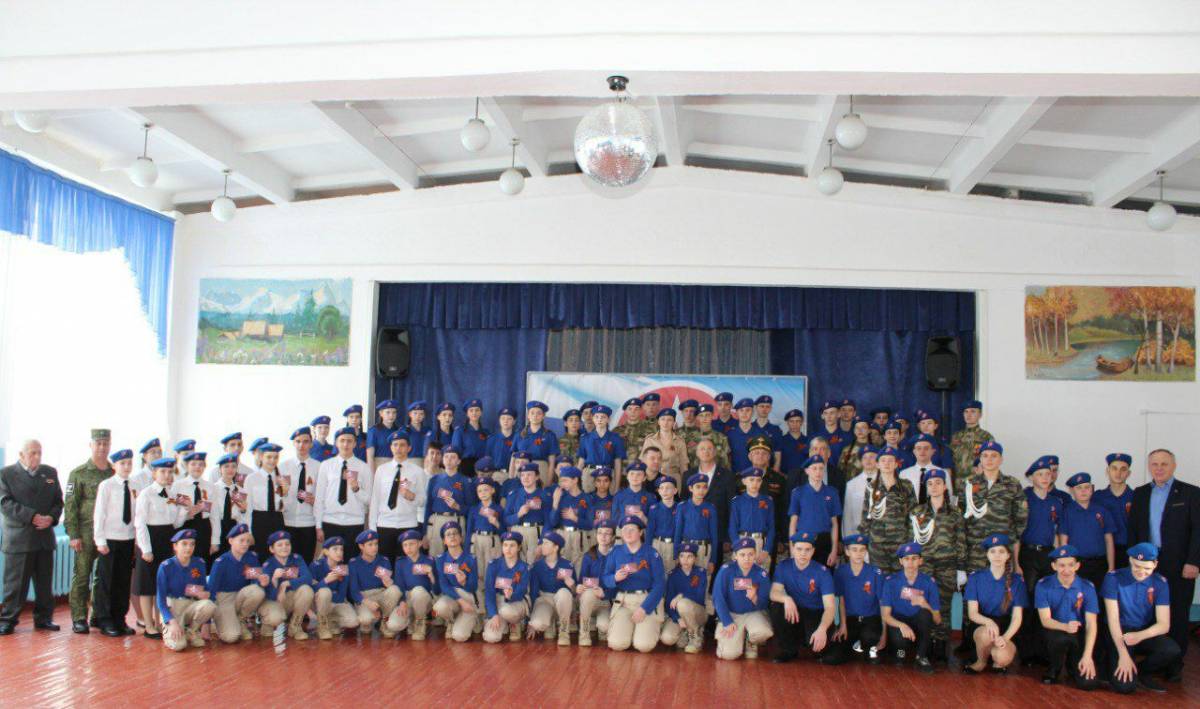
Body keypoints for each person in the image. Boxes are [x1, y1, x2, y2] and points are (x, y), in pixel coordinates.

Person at [1128, 448, 1200, 682]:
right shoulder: (1140, 493)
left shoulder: (1191, 493)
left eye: (1164, 464)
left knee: (1177, 613)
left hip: (1179, 565)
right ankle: (1152, 660)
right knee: (1147, 610)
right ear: (1149, 466)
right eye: (1155, 464)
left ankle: (1174, 664)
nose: (1159, 468)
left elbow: (1198, 531)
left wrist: (1194, 562)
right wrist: (1133, 562)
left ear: (1174, 466)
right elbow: (1134, 530)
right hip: (1146, 564)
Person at [0, 439, 64, 634]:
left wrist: (51, 518)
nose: (37, 457)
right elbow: (5, 503)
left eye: (39, 452)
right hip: (19, 540)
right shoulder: (6, 474)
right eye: (32, 453)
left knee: (44, 584)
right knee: (15, 585)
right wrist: (32, 516)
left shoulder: (50, 474)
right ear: (21, 454)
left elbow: (58, 502)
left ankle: (44, 618)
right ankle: (8, 620)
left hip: (44, 539)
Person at [1101, 542, 1181, 693]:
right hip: (1119, 632)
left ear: (1155, 564)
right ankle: (1117, 664)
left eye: (1147, 568)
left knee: (1171, 649)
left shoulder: (1160, 583)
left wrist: (1140, 635)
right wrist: (1123, 655)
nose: (1141, 572)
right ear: (1130, 560)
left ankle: (1141, 672)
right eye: (1137, 566)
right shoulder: (1113, 578)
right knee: (1124, 687)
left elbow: (1164, 625)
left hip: (1142, 631)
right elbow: (1113, 620)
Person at [907, 468, 964, 662]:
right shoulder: (917, 512)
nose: (934, 487)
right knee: (923, 604)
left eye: (938, 483)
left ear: (945, 486)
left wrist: (961, 569)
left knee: (944, 606)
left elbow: (961, 541)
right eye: (930, 483)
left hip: (947, 566)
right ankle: (925, 644)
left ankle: (940, 644)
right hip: (924, 567)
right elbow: (911, 541)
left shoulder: (955, 512)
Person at [64, 428, 113, 634]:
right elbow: (70, 506)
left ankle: (98, 616)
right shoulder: (78, 473)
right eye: (98, 443)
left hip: (109, 533)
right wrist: (73, 534)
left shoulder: (114, 472)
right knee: (82, 575)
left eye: (105, 443)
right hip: (85, 531)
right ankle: (79, 617)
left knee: (103, 577)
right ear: (91, 445)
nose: (102, 447)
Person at [133, 457, 186, 639]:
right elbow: (140, 523)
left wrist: (184, 509)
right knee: (147, 586)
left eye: (170, 471)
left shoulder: (172, 494)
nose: (166, 475)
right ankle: (149, 625)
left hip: (167, 539)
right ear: (154, 473)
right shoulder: (146, 494)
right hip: (150, 540)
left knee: (162, 584)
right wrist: (146, 549)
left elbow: (176, 523)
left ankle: (160, 622)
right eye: (162, 471)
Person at [1018, 456, 1064, 665]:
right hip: (1028, 554)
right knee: (1028, 602)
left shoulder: (1056, 502)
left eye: (1048, 474)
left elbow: (1058, 532)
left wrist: (1059, 559)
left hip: (1047, 555)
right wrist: (1016, 562)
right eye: (1040, 474)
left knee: (1046, 603)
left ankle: (1044, 651)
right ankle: (1027, 653)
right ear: (1031, 478)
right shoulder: (1024, 498)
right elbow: (1016, 531)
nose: (1045, 478)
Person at [1035, 544, 1100, 689]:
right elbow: (1045, 620)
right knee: (1058, 639)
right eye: (1062, 565)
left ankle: (1073, 666)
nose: (1066, 570)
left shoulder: (1087, 587)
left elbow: (1091, 624)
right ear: (1054, 566)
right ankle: (1054, 667)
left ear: (1077, 566)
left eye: (1071, 565)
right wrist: (1065, 627)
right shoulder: (1043, 585)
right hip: (1055, 629)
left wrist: (1087, 656)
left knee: (1088, 684)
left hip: (1078, 634)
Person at [769, 530, 837, 664]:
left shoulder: (822, 572)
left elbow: (830, 607)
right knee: (777, 607)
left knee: (818, 650)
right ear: (793, 549)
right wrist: (787, 599)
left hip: (815, 613)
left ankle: (808, 641)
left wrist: (822, 629)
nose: (803, 553)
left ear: (813, 551)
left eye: (807, 549)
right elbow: (773, 593)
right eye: (799, 549)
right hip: (795, 611)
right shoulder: (783, 566)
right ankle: (788, 650)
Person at [962, 534, 1026, 675]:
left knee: (1001, 657)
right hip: (983, 623)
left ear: (1008, 555)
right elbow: (972, 613)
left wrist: (1005, 638)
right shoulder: (975, 578)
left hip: (1006, 627)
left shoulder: (1017, 581)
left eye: (1001, 551)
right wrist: (989, 622)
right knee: (987, 634)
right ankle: (981, 661)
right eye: (993, 551)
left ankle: (996, 659)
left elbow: (1017, 618)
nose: (997, 555)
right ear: (987, 555)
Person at [961, 441, 1028, 573]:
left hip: (1001, 550)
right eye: (985, 456)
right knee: (976, 584)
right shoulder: (969, 484)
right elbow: (960, 516)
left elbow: (1021, 517)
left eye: (994, 456)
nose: (989, 459)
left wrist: (1009, 539)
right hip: (975, 550)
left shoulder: (1012, 484)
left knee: (1002, 584)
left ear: (1001, 459)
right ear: (980, 459)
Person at [91, 448, 138, 637]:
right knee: (106, 581)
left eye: (129, 463)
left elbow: (136, 514)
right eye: (122, 463)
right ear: (115, 466)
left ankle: (120, 618)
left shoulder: (134, 485)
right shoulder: (107, 485)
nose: (126, 467)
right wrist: (100, 540)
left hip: (127, 539)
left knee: (123, 581)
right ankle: (104, 619)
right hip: (109, 539)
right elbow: (99, 514)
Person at [602, 515, 666, 653]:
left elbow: (660, 585)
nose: (628, 533)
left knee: (644, 646)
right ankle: (630, 631)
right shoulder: (616, 552)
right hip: (623, 602)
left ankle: (648, 627)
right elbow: (605, 578)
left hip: (646, 601)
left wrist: (644, 609)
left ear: (641, 532)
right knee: (617, 644)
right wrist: (614, 578)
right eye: (625, 529)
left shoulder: (651, 553)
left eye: (632, 529)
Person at [880, 542, 940, 673]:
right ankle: (900, 653)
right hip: (898, 623)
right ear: (901, 561)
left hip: (919, 626)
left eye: (914, 558)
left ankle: (921, 657)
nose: (910, 562)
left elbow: (937, 620)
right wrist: (902, 625)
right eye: (906, 559)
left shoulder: (929, 582)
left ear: (920, 561)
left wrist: (925, 604)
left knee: (925, 614)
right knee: (900, 654)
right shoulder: (891, 582)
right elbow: (885, 616)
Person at [315, 427, 373, 560]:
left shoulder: (363, 467)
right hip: (330, 521)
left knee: (350, 562)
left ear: (355, 443)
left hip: (354, 522)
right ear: (336, 443)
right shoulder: (326, 465)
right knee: (330, 563)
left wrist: (357, 489)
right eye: (342, 441)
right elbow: (319, 497)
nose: (345, 444)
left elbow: (369, 499)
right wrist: (318, 525)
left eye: (349, 441)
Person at [369, 431, 427, 562]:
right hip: (385, 524)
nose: (398, 448)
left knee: (406, 565)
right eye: (395, 445)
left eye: (402, 445)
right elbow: (375, 499)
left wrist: (412, 496)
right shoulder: (381, 470)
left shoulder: (418, 471)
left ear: (409, 448)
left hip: (408, 524)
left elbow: (423, 500)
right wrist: (372, 527)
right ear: (391, 447)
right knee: (385, 564)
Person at [205, 523, 268, 643]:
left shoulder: (251, 557)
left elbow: (256, 580)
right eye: (241, 540)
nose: (245, 544)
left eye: (248, 541)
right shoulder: (221, 562)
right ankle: (217, 623)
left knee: (258, 591)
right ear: (231, 541)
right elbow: (211, 591)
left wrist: (261, 582)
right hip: (224, 599)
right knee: (231, 637)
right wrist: (206, 624)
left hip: (241, 595)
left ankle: (241, 620)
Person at [713, 536, 774, 660]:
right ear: (735, 556)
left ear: (755, 554)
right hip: (732, 615)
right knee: (728, 655)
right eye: (742, 555)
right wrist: (726, 621)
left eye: (750, 554)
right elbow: (718, 598)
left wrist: (755, 598)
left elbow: (765, 603)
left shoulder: (761, 574)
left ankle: (750, 640)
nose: (747, 558)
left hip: (753, 613)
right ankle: (736, 636)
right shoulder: (726, 571)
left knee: (764, 631)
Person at [858, 447, 915, 575]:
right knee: (879, 581)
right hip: (877, 545)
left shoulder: (906, 486)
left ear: (896, 464)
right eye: (883, 460)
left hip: (900, 544)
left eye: (890, 460)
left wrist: (910, 543)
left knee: (901, 581)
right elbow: (866, 517)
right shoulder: (871, 487)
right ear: (877, 464)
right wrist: (864, 545)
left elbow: (913, 517)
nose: (887, 464)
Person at [155, 529, 215, 651]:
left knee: (209, 605)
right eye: (184, 544)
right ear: (175, 546)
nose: (189, 548)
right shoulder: (166, 567)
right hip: (172, 609)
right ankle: (172, 630)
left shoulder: (198, 564)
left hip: (190, 605)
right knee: (179, 646)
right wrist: (171, 622)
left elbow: (204, 589)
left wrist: (203, 594)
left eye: (192, 544)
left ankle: (192, 631)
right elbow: (160, 601)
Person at [831, 533, 886, 663]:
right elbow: (841, 601)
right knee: (833, 658)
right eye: (854, 550)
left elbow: (883, 604)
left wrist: (884, 635)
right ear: (847, 552)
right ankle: (854, 645)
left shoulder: (875, 573)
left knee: (870, 642)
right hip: (850, 619)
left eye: (862, 550)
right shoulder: (841, 572)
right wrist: (842, 625)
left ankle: (867, 647)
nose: (858, 554)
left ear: (866, 551)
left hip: (871, 619)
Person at [1059, 472, 1115, 591]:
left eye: (1086, 487)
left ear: (1092, 489)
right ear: (1072, 491)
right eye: (1079, 488)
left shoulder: (1102, 511)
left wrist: (1111, 567)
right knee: (1078, 597)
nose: (1083, 491)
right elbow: (1063, 542)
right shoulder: (1067, 512)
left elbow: (1109, 541)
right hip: (1077, 565)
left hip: (1099, 563)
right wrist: (1066, 566)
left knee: (1099, 597)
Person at [259, 530, 317, 640]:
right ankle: (267, 624)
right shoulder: (268, 565)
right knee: (275, 618)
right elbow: (268, 595)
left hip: (289, 598)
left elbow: (308, 578)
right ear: (272, 549)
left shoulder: (297, 559)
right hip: (273, 601)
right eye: (279, 545)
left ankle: (295, 627)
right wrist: (275, 579)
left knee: (306, 590)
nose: (284, 547)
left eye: (287, 544)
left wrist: (286, 584)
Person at [346, 529, 403, 638]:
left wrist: (390, 583)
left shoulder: (384, 560)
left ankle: (384, 621)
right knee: (366, 620)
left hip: (381, 594)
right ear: (361, 546)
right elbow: (353, 591)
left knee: (395, 589)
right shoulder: (353, 563)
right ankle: (366, 624)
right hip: (364, 597)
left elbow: (390, 586)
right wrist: (367, 602)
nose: (374, 547)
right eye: (370, 544)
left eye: (376, 544)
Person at [786, 455, 841, 567]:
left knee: (825, 573)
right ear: (807, 471)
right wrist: (792, 549)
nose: (818, 472)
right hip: (803, 540)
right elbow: (793, 523)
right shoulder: (798, 493)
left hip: (824, 541)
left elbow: (834, 523)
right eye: (814, 468)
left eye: (821, 468)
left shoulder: (832, 492)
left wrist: (834, 550)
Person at [432, 522, 479, 643]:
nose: (452, 536)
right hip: (453, 597)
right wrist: (461, 601)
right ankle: (451, 621)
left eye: (455, 533)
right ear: (444, 541)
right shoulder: (440, 559)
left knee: (460, 637)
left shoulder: (471, 558)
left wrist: (464, 582)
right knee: (439, 607)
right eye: (448, 534)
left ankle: (473, 617)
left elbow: (473, 587)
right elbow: (444, 586)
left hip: (468, 598)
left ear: (461, 538)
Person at [480, 531, 531, 643]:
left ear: (519, 548)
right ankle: (501, 622)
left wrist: (512, 595)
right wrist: (493, 614)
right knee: (491, 638)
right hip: (498, 602)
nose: (508, 549)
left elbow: (522, 591)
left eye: (512, 545)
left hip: (517, 602)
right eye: (505, 545)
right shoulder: (493, 565)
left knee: (506, 611)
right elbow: (489, 592)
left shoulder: (524, 567)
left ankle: (515, 623)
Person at [280, 426, 320, 562]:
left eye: (305, 441)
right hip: (287, 522)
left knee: (306, 561)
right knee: (287, 562)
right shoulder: (283, 466)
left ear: (311, 444)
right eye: (298, 441)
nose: (301, 445)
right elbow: (277, 496)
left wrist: (316, 500)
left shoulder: (319, 467)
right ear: (293, 443)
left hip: (309, 523)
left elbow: (324, 497)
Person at [528, 531, 576, 645]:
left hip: (562, 600)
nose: (542, 546)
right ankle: (551, 622)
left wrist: (572, 585)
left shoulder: (567, 565)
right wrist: (531, 620)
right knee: (537, 624)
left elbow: (574, 592)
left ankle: (564, 631)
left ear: (555, 547)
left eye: (546, 543)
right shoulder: (537, 566)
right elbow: (533, 592)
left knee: (564, 593)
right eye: (542, 543)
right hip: (544, 600)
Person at [424, 444, 471, 558]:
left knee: (456, 557)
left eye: (453, 457)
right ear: (442, 459)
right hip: (437, 521)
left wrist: (458, 507)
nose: (449, 460)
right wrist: (424, 533)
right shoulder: (434, 480)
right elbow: (428, 507)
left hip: (456, 520)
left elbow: (472, 509)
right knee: (436, 556)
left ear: (459, 461)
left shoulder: (465, 481)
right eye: (446, 456)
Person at [660, 542, 708, 653]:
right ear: (678, 558)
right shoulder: (673, 575)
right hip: (679, 615)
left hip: (698, 613)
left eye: (689, 556)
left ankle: (694, 637)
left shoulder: (700, 573)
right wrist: (677, 618)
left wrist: (681, 596)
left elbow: (699, 597)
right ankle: (685, 631)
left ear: (695, 558)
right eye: (682, 556)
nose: (685, 560)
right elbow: (668, 602)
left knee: (682, 603)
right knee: (667, 639)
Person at [171, 450, 215, 568]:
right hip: (184, 526)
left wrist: (215, 540)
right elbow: (173, 512)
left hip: (204, 529)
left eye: (201, 464)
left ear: (205, 467)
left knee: (201, 564)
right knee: (184, 563)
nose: (197, 467)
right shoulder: (178, 485)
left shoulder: (210, 486)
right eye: (193, 464)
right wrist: (186, 513)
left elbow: (214, 515)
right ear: (186, 466)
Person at [390, 530, 438, 640]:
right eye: (405, 545)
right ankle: (411, 619)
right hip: (407, 599)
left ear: (420, 543)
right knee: (393, 625)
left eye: (411, 544)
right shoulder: (400, 562)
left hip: (423, 600)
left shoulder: (429, 560)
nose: (408, 548)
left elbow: (437, 589)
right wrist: (402, 601)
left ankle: (420, 622)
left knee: (418, 590)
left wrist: (432, 577)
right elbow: (399, 585)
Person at [310, 536, 359, 640]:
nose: (339, 552)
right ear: (326, 552)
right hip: (318, 602)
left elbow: (341, 596)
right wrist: (325, 581)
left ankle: (330, 621)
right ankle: (322, 626)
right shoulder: (316, 565)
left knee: (353, 622)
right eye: (335, 549)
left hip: (336, 602)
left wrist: (330, 595)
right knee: (324, 592)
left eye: (341, 549)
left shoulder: (343, 568)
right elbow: (311, 589)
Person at [245, 442, 286, 561]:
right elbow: (248, 507)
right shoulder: (251, 478)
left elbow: (285, 506)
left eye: (276, 457)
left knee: (278, 556)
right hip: (259, 521)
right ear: (261, 457)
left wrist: (286, 491)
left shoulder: (282, 478)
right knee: (259, 555)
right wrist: (249, 531)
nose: (272, 460)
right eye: (269, 457)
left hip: (277, 519)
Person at [674, 474, 720, 578]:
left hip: (704, 549)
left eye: (704, 487)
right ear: (691, 488)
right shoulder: (682, 507)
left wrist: (712, 560)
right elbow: (678, 532)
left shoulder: (711, 508)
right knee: (685, 579)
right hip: (686, 548)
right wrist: (676, 555)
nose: (701, 490)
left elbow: (714, 535)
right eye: (698, 487)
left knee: (704, 579)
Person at [503, 462, 551, 563]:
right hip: (517, 531)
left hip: (536, 532)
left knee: (534, 563)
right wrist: (518, 514)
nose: (525, 478)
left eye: (529, 474)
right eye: (522, 475)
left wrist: (542, 542)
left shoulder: (544, 495)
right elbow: (506, 520)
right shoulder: (513, 495)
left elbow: (548, 521)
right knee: (517, 564)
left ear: (537, 477)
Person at [578, 521, 616, 646]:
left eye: (607, 533)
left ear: (613, 537)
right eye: (600, 533)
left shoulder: (616, 556)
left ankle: (599, 626)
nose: (603, 536)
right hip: (590, 599)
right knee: (588, 595)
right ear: (596, 535)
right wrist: (579, 586)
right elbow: (582, 580)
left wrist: (605, 594)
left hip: (606, 601)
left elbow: (619, 585)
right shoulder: (588, 556)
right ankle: (584, 633)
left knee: (604, 626)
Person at [1093, 453, 1135, 567]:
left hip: (1129, 551)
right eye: (1114, 468)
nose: (1118, 473)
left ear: (1129, 473)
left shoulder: (1136, 497)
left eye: (1123, 469)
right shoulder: (1097, 497)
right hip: (1102, 551)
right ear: (1107, 471)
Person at [729, 467, 775, 569]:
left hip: (760, 543)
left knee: (760, 575)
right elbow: (732, 527)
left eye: (758, 480)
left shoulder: (767, 501)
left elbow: (771, 527)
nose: (755, 483)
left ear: (761, 482)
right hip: (742, 540)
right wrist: (737, 547)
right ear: (744, 481)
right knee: (741, 576)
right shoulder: (737, 501)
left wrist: (766, 550)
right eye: (751, 480)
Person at [577, 405, 626, 492]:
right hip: (589, 474)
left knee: (609, 499)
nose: (599, 419)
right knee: (589, 498)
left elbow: (618, 463)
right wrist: (575, 482)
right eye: (596, 417)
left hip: (608, 473)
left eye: (603, 417)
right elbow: (581, 462)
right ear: (593, 418)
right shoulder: (585, 438)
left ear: (608, 419)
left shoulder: (615, 438)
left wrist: (617, 486)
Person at [210, 453, 249, 559]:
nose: (230, 469)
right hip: (217, 528)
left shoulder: (240, 491)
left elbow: (243, 518)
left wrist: (243, 511)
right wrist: (214, 541)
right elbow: (212, 516)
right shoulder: (212, 489)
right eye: (226, 466)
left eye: (233, 466)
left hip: (234, 528)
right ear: (220, 469)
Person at [548, 465, 589, 566]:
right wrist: (555, 502)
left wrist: (575, 518)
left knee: (578, 567)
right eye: (561, 481)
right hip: (563, 535)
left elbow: (590, 524)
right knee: (562, 568)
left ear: (575, 480)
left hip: (579, 537)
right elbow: (553, 522)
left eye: (565, 480)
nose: (562, 484)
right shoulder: (561, 496)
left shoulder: (586, 498)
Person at [515, 401, 558, 487]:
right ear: (528, 415)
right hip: (522, 469)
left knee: (541, 494)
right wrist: (512, 477)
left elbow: (552, 462)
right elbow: (513, 457)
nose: (535, 416)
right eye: (532, 413)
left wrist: (549, 481)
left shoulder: (549, 435)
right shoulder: (519, 434)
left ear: (543, 416)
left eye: (539, 413)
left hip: (541, 469)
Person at [642, 409, 688, 484]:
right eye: (663, 419)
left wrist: (685, 485)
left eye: (669, 420)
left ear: (674, 422)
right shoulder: (650, 440)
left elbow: (684, 466)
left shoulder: (680, 442)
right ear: (658, 422)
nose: (665, 423)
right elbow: (643, 463)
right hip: (653, 478)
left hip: (673, 478)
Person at [841, 446, 878, 537]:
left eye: (871, 457)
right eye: (865, 458)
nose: (868, 460)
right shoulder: (852, 484)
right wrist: (848, 537)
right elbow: (847, 514)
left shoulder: (885, 482)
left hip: (881, 533)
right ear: (861, 461)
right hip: (858, 533)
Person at [647, 476, 680, 574]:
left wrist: (678, 551)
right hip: (657, 544)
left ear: (675, 491)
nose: (664, 491)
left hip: (673, 545)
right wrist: (647, 550)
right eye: (661, 488)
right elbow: (649, 532)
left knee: (672, 573)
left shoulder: (680, 508)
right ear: (658, 491)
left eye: (668, 488)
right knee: (656, 573)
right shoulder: (654, 508)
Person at [686, 403, 732, 471]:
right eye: (701, 415)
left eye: (707, 415)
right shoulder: (689, 438)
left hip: (716, 474)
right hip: (695, 475)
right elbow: (685, 461)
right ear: (697, 418)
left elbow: (726, 462)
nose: (704, 418)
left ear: (712, 416)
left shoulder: (721, 437)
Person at [453, 398, 490, 477]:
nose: (474, 413)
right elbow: (455, 453)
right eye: (471, 410)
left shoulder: (486, 432)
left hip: (483, 468)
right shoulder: (460, 431)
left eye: (477, 410)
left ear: (481, 412)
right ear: (467, 413)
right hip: (466, 468)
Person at [365, 399, 400, 472]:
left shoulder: (399, 431)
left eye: (394, 412)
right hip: (379, 467)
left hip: (396, 467)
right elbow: (370, 456)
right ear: (381, 413)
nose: (391, 415)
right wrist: (372, 474)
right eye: (388, 412)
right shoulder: (374, 431)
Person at [725, 399, 758, 474]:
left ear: (752, 412)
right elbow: (726, 458)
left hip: (755, 476)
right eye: (741, 410)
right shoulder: (730, 434)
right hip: (735, 476)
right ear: (737, 413)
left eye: (748, 410)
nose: (744, 413)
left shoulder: (760, 434)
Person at [485, 406, 518, 477]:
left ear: (514, 421)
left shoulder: (518, 439)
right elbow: (487, 459)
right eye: (503, 418)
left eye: (509, 418)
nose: (506, 421)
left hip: (513, 474)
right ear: (499, 420)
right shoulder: (492, 439)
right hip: (495, 474)